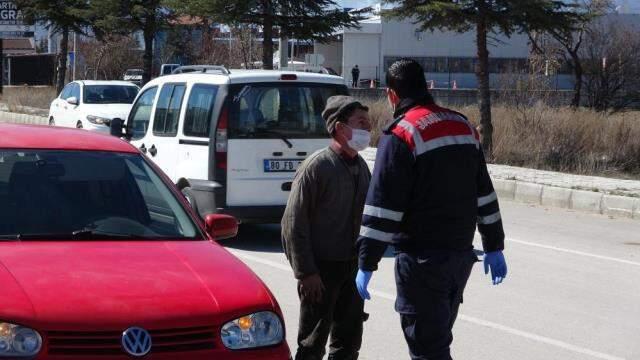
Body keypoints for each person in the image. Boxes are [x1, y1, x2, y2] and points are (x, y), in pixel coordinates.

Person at [354, 59, 508, 360]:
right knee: (437, 341)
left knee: (427, 348)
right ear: (425, 87)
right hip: (460, 259)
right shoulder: (463, 125)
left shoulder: (401, 134)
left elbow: (384, 206)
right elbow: (484, 193)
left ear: (392, 95)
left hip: (422, 262)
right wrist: (494, 244)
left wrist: (366, 262)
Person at [282, 95, 372, 360]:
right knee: (312, 345)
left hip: (352, 269)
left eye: (368, 123)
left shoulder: (363, 167)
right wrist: (306, 272)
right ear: (340, 127)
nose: (367, 128)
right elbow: (293, 223)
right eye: (361, 123)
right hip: (320, 271)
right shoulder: (317, 167)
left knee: (348, 343)